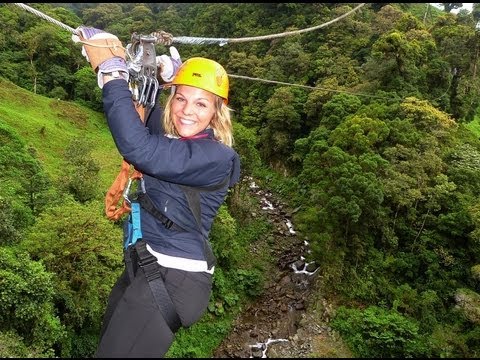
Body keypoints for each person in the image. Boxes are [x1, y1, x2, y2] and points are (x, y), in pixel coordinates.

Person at [72, 26, 241, 357]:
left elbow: (138, 148)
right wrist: (152, 73)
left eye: (201, 104)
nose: (186, 111)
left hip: (175, 279)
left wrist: (113, 72)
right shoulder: (173, 138)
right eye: (181, 98)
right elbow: (143, 118)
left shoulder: (217, 157)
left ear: (215, 114)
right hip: (146, 265)